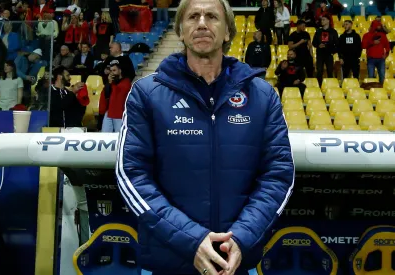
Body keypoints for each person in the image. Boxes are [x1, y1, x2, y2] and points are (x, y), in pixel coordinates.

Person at [115, 0, 295, 275]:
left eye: (211, 16)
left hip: (233, 260)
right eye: (193, 17)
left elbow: (278, 175)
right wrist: (192, 241)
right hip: (170, 261)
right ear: (181, 30)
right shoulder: (146, 94)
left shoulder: (262, 95)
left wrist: (242, 237)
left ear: (227, 32)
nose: (201, 23)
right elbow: (131, 174)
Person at [100, 60, 131, 132]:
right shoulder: (111, 83)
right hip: (109, 113)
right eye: (110, 71)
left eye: (114, 70)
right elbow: (105, 94)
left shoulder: (126, 82)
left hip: (119, 114)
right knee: (105, 136)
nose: (112, 73)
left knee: (119, 136)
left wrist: (110, 83)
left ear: (120, 71)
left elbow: (118, 93)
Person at [313, 16, 338, 85]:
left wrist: (332, 51)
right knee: (319, 71)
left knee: (330, 71)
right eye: (321, 20)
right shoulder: (318, 31)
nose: (322, 21)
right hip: (320, 54)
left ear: (328, 21)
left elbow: (337, 44)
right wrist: (318, 45)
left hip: (329, 54)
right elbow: (314, 42)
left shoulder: (333, 32)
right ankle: (319, 86)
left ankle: (330, 86)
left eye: (324, 19)